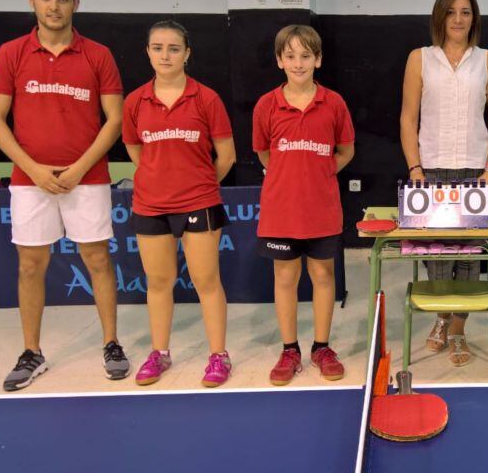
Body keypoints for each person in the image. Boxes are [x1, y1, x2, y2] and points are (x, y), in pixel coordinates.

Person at [0, 0, 129, 391]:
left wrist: (80, 167)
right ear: (32, 1)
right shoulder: (11, 53)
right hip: (31, 181)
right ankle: (32, 352)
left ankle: (112, 344)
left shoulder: (98, 54)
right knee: (31, 267)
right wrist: (32, 169)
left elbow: (115, 119)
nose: (54, 6)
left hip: (87, 177)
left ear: (76, 4)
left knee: (98, 261)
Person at [122, 21, 236, 387]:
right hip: (150, 205)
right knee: (159, 281)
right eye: (158, 47)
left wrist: (197, 184)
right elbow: (137, 152)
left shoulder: (206, 99)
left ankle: (218, 355)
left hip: (199, 202)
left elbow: (227, 156)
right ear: (148, 52)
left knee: (206, 280)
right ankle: (160, 353)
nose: (165, 55)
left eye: (173, 48)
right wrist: (162, 179)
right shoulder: (135, 101)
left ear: (187, 53)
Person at [399, 0, 488, 366]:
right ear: (439, 17)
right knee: (437, 256)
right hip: (431, 171)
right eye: (451, 12)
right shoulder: (420, 58)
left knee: (471, 258)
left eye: (465, 12)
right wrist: (415, 168)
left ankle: (458, 329)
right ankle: (442, 318)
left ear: (474, 17)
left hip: (475, 173)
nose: (458, 19)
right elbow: (408, 117)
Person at [254, 25, 355, 385]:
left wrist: (322, 172)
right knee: (285, 276)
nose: (299, 63)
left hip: (322, 209)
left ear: (318, 59)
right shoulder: (267, 104)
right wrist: (287, 174)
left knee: (324, 276)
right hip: (281, 209)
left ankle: (322, 347)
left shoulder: (334, 103)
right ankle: (289, 349)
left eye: (306, 55)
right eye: (291, 55)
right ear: (280, 60)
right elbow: (263, 151)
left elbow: (346, 151)